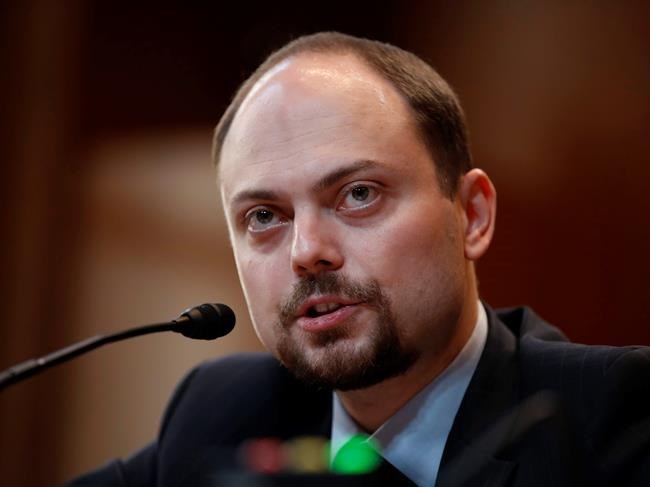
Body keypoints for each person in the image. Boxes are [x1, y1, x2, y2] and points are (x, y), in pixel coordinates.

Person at [67, 32, 650, 487]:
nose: (307, 252)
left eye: (359, 194)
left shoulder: (614, 417)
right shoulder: (223, 413)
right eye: (264, 216)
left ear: (472, 215)